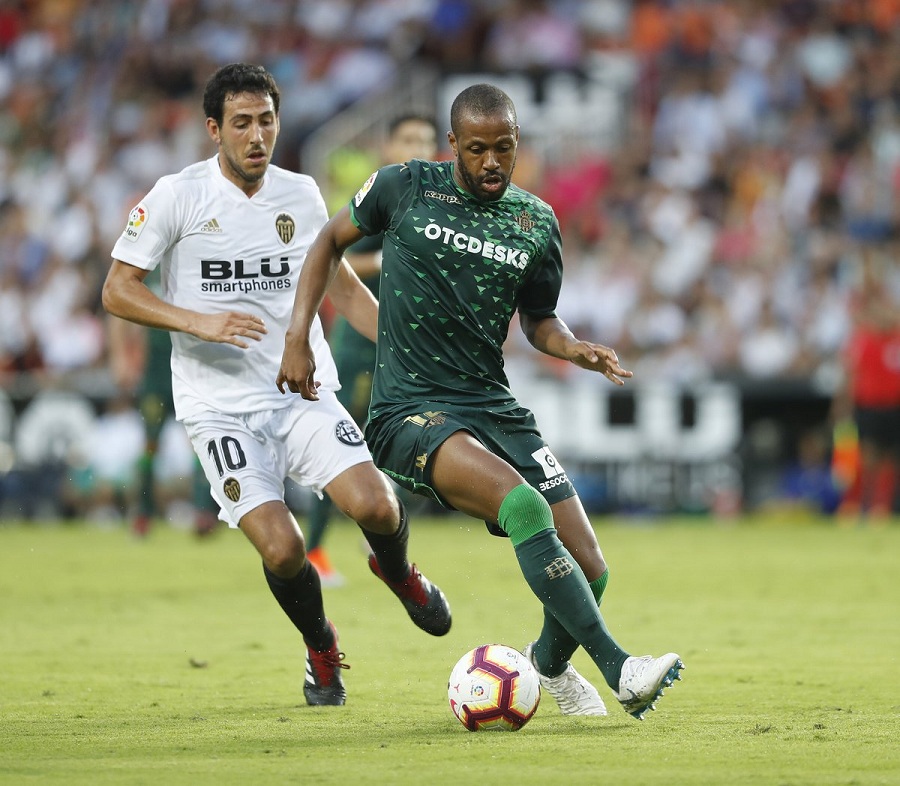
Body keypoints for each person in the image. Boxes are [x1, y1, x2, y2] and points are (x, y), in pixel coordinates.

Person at [278, 83, 684, 720]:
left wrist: (573, 348)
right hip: (410, 410)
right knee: (522, 506)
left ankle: (547, 665)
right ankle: (621, 668)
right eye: (477, 149)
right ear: (453, 145)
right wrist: (298, 337)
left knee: (590, 566)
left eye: (504, 148)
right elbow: (328, 242)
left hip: (491, 405)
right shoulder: (404, 186)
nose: (492, 161)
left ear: (518, 143)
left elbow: (539, 319)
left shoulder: (536, 222)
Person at [102, 62, 451, 708]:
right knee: (284, 548)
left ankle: (399, 573)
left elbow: (345, 290)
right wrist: (197, 321)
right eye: (241, 123)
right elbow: (117, 290)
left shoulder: (301, 194)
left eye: (266, 120)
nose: (257, 135)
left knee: (376, 506)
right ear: (214, 129)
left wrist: (414, 355)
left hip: (301, 392)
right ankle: (321, 645)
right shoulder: (177, 196)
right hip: (218, 408)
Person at [305, 113, 439, 586]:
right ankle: (313, 551)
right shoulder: (381, 198)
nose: (417, 147)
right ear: (388, 147)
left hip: (410, 347)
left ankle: (381, 528)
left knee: (424, 439)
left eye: (425, 140)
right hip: (362, 345)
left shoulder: (437, 206)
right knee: (343, 446)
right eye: (408, 138)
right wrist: (383, 259)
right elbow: (330, 253)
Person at [107, 287, 219, 538]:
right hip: (156, 376)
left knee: (200, 442)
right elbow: (119, 310)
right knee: (150, 445)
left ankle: (204, 512)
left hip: (190, 371)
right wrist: (120, 357)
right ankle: (143, 513)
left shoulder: (190, 270)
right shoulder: (148, 273)